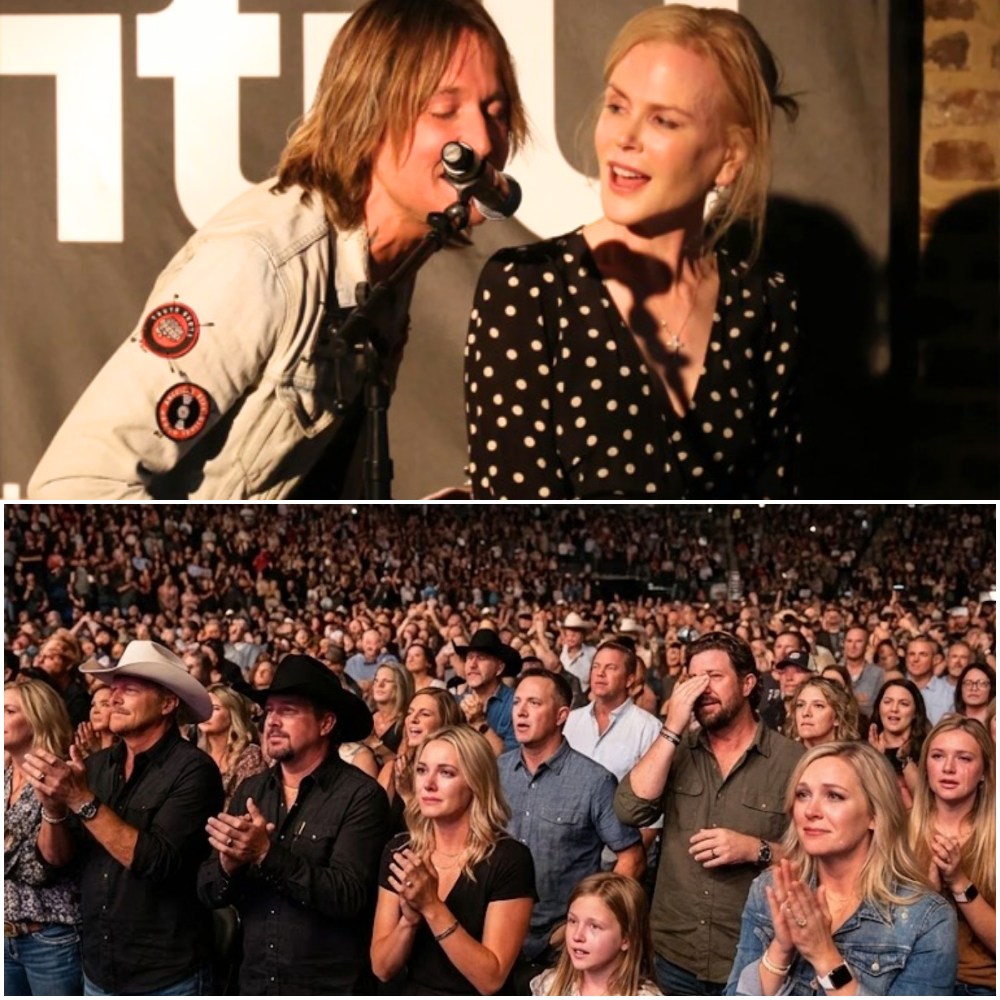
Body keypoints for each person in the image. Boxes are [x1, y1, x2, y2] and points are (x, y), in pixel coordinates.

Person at [28, 0, 527, 501]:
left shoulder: (390, 266)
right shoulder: (262, 263)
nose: (482, 140)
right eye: (445, 111)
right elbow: (71, 488)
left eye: (496, 112)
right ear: (367, 112)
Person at [464, 3, 799, 499]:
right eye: (617, 106)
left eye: (664, 121)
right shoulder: (527, 289)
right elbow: (516, 525)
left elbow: (777, 505)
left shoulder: (765, 303)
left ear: (729, 159)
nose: (625, 137)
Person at [20, 640, 222, 995]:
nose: (113, 697)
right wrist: (53, 810)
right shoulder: (96, 766)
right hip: (98, 967)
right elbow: (55, 863)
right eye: (113, 688)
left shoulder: (193, 770)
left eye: (130, 689)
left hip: (166, 973)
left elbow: (156, 862)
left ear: (168, 703)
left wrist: (80, 799)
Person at [615, 632, 803, 994]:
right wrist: (671, 728)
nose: (703, 688)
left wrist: (755, 849)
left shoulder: (790, 761)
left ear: (748, 683)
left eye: (714, 676)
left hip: (753, 954)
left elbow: (816, 861)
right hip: (673, 952)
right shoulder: (676, 749)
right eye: (694, 678)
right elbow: (629, 808)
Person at [198, 654, 389, 993]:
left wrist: (266, 854)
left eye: (288, 710)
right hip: (255, 981)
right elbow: (208, 890)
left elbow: (349, 896)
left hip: (328, 985)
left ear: (326, 724)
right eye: (269, 710)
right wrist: (228, 865)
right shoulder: (252, 789)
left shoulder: (361, 796)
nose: (272, 721)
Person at [727, 741, 957, 995]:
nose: (811, 811)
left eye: (834, 796)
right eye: (803, 794)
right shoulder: (769, 890)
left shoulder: (927, 919)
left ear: (875, 814)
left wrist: (825, 956)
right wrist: (781, 949)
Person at [499, 669, 645, 987]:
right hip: (496, 937)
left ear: (561, 715)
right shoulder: (497, 771)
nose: (520, 712)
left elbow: (631, 858)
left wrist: (579, 926)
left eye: (534, 703)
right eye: (517, 702)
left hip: (559, 949)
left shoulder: (594, 782)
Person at [371, 724, 536, 995]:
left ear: (475, 781)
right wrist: (409, 922)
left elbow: (490, 980)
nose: (428, 783)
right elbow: (382, 968)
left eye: (446, 773)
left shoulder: (509, 859)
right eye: (422, 770)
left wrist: (432, 907)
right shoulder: (400, 851)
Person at [4, 680, 83, 996]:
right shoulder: (6, 774)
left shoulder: (62, 775)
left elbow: (46, 866)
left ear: (38, 718)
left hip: (50, 939)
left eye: (8, 711)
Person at [909, 717, 996, 995]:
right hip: (908, 977)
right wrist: (928, 899)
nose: (948, 768)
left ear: (984, 771)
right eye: (938, 756)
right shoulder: (899, 830)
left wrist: (959, 882)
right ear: (926, 767)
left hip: (978, 984)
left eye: (964, 758)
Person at [531, 872, 663, 997]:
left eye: (594, 926)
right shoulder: (549, 985)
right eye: (573, 921)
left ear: (626, 938)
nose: (577, 936)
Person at [378, 688, 462, 819]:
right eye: (410, 712)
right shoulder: (394, 769)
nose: (413, 719)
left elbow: (441, 827)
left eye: (425, 714)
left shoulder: (457, 771)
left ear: (445, 722)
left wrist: (407, 795)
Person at [197, 682, 266, 809]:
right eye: (204, 707)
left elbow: (247, 805)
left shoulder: (249, 756)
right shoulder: (195, 754)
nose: (206, 713)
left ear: (232, 714)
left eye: (215, 708)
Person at [454, 629, 521, 753]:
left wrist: (479, 722)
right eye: (469, 657)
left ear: (499, 668)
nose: (472, 665)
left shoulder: (516, 703)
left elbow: (511, 759)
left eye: (481, 658)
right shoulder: (454, 702)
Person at [868, 678, 930, 808]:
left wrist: (905, 761)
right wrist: (875, 759)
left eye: (904, 704)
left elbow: (926, 802)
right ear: (879, 708)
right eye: (887, 702)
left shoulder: (928, 749)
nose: (894, 709)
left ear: (915, 713)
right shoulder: (864, 750)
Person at [34, 629, 91, 727]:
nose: (41, 661)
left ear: (68, 664)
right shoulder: (36, 689)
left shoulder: (79, 699)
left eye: (50, 657)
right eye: (40, 656)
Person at [785, 676, 860, 749]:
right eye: (800, 705)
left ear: (837, 717)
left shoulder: (851, 759)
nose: (805, 713)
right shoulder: (782, 755)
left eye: (818, 706)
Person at [369, 660, 413, 760]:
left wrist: (371, 741)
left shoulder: (408, 723)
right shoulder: (368, 717)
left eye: (386, 681)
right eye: (376, 680)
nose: (379, 685)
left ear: (400, 686)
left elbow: (402, 763)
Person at [904, 636, 954, 725]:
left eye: (923, 654)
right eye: (911, 654)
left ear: (936, 660)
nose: (915, 659)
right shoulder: (893, 690)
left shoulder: (949, 694)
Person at [840, 626, 883, 719]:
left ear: (867, 645)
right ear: (844, 644)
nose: (853, 646)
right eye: (849, 641)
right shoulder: (834, 672)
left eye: (858, 641)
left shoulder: (878, 674)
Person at [73, 684, 116, 757]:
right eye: (93, 705)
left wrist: (97, 752)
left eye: (105, 704)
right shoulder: (85, 746)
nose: (95, 711)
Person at [953, 663, 996, 727]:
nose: (974, 688)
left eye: (981, 683)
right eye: (968, 683)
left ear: (991, 688)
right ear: (960, 688)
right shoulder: (950, 722)